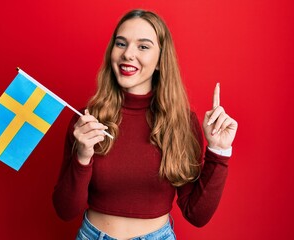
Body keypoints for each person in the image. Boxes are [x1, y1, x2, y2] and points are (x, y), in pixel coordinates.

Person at [53, 9, 238, 240]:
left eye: (143, 46)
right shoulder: (87, 121)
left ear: (161, 60)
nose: (128, 54)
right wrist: (82, 156)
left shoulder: (181, 123)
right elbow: (65, 210)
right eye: (121, 44)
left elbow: (196, 214)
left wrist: (218, 152)